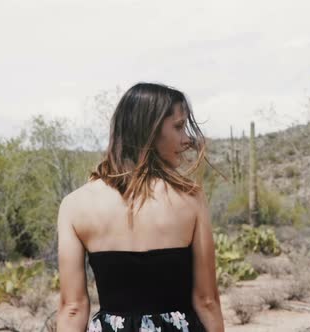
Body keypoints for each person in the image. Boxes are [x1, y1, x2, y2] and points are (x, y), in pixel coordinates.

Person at [56, 83, 224, 332]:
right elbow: (206, 300)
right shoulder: (190, 199)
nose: (187, 139)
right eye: (178, 126)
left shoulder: (74, 205)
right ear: (150, 130)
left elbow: (73, 307)